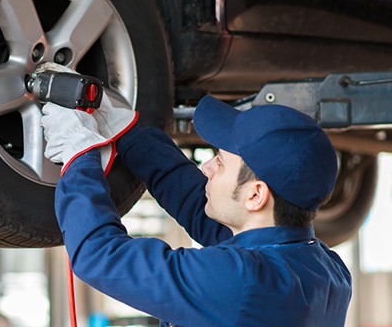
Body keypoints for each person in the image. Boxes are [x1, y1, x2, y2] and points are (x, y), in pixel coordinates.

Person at [41, 94, 352, 327]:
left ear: (256, 195)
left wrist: (78, 155)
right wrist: (129, 133)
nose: (206, 167)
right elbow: (195, 204)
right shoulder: (325, 270)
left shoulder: (242, 282)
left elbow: (100, 256)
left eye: (220, 161)